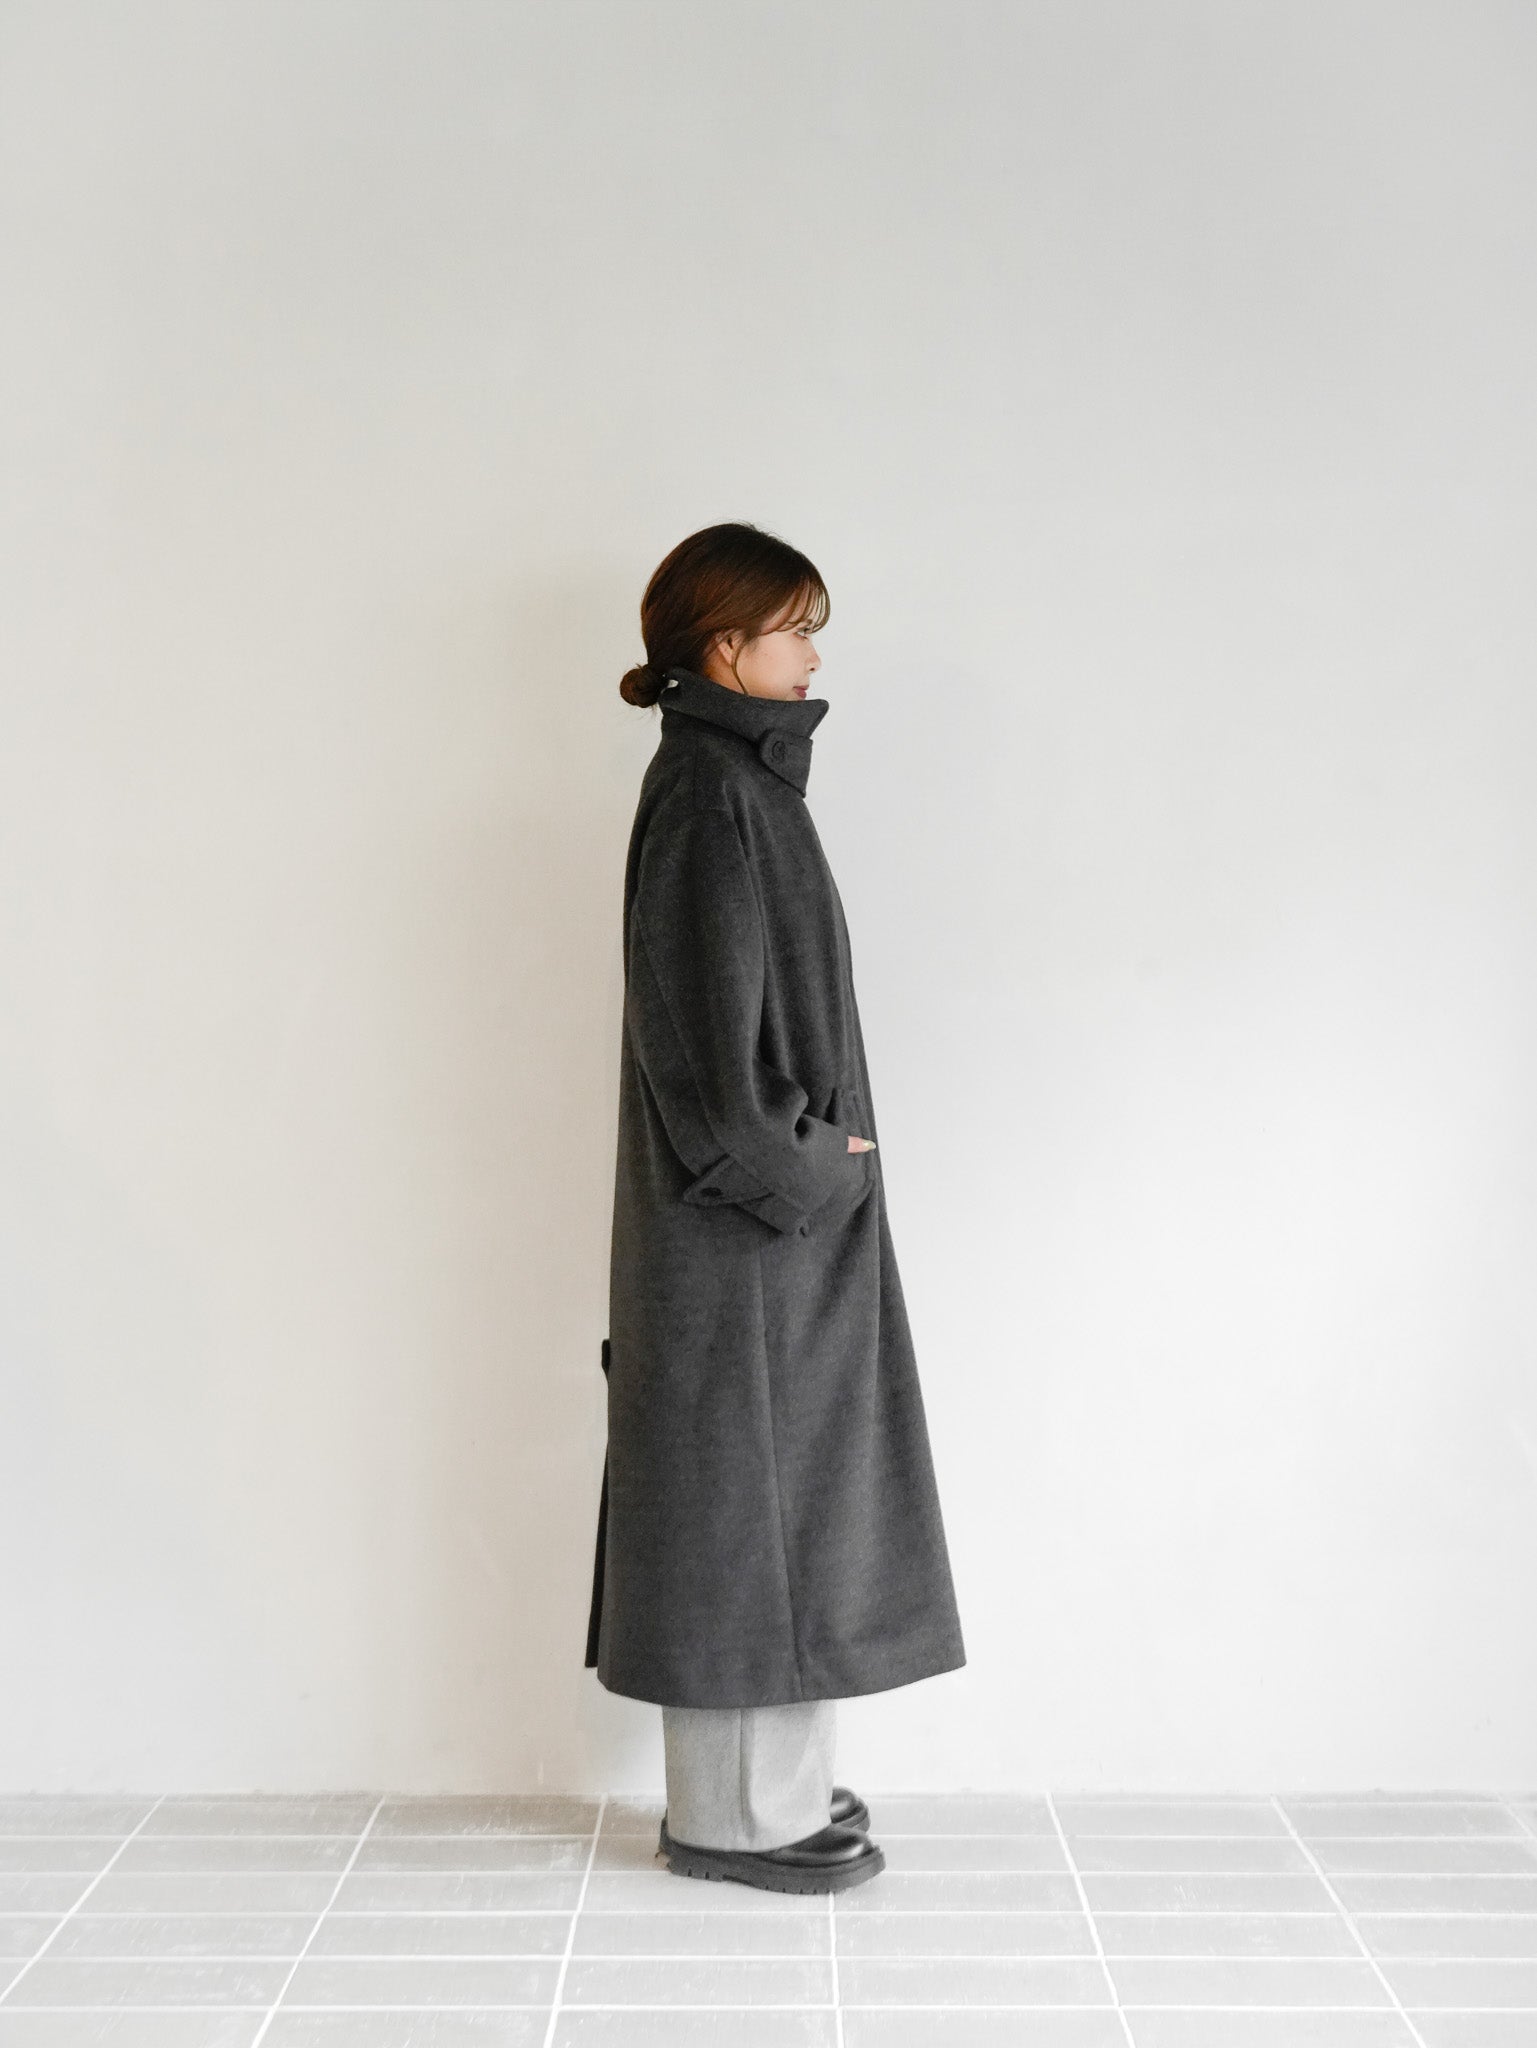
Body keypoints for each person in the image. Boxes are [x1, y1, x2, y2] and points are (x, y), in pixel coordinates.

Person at [585, 521, 965, 1894]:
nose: (812, 651)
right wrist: (813, 1161)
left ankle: (771, 1793)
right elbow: (703, 1059)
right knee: (746, 1510)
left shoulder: (739, 782)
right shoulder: (708, 796)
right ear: (723, 642)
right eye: (793, 626)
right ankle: (736, 1819)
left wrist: (822, 1165)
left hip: (768, 1232)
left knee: (780, 1502)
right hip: (747, 1231)